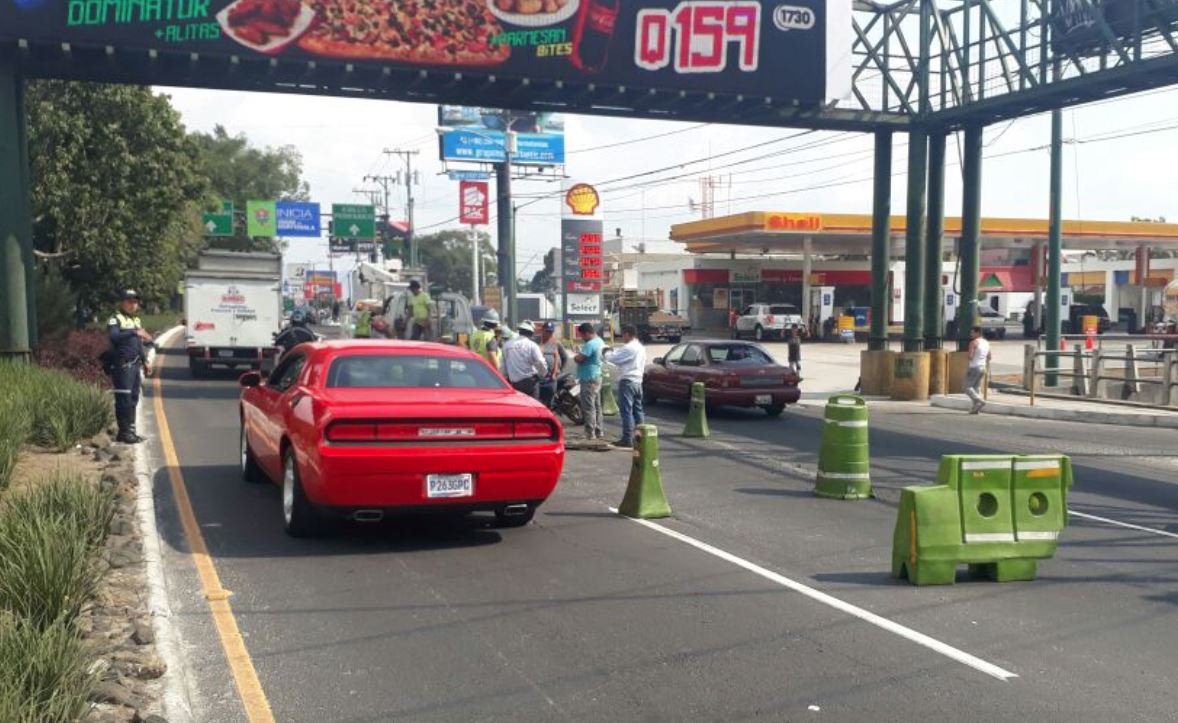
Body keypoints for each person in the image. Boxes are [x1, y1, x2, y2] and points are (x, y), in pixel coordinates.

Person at [107, 289, 153, 444]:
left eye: (135, 301)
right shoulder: (115, 319)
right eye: (130, 301)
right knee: (124, 399)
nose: (133, 304)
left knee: (133, 397)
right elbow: (114, 337)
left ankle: (131, 432)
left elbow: (139, 344)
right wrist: (133, 332)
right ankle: (124, 432)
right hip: (123, 365)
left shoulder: (137, 321)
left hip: (135, 365)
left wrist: (145, 360)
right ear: (123, 302)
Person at [605, 325, 646, 448]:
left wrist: (606, 352)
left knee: (626, 411)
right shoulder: (641, 347)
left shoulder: (629, 347)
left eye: (623, 335)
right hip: (638, 381)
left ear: (628, 334)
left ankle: (627, 438)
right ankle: (641, 436)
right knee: (637, 410)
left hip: (628, 381)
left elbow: (612, 358)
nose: (623, 337)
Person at [573, 322, 605, 440]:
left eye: (582, 335)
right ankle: (599, 430)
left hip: (588, 377)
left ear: (587, 333)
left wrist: (576, 355)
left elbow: (580, 359)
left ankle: (590, 433)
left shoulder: (590, 344)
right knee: (597, 405)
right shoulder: (600, 341)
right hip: (597, 375)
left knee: (588, 407)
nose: (582, 338)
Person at [502, 321, 547, 397]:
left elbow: (503, 366)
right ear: (531, 333)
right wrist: (543, 374)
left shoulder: (507, 345)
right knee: (533, 406)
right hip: (530, 383)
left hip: (514, 383)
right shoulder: (532, 345)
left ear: (520, 331)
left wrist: (506, 379)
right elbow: (540, 362)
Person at [965, 325, 992, 414]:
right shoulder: (986, 342)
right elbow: (990, 356)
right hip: (983, 367)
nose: (971, 334)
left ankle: (980, 400)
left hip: (974, 367)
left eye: (972, 332)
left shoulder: (974, 342)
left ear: (978, 333)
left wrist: (968, 356)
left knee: (967, 387)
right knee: (976, 388)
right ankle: (975, 409)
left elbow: (970, 356)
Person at [538, 322, 564, 408]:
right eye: (547, 331)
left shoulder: (554, 341)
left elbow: (556, 356)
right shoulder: (536, 341)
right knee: (539, 399)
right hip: (539, 376)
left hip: (551, 376)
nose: (549, 333)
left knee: (550, 399)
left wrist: (556, 371)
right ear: (542, 330)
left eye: (551, 332)